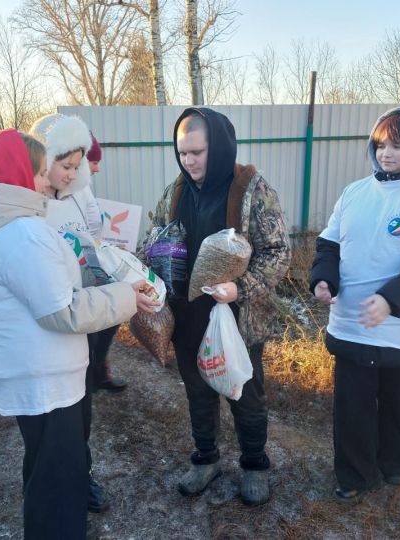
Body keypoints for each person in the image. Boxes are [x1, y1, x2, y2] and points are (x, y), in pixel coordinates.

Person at [0, 128, 156, 539]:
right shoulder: (21, 233)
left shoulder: (6, 227)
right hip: (45, 379)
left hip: (35, 372)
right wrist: (125, 296)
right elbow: (62, 311)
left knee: (46, 474)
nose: (47, 182)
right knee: (59, 487)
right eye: (42, 172)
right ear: (18, 172)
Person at [141, 108, 292, 506]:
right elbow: (154, 236)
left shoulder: (251, 189)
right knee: (198, 393)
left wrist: (240, 287)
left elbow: (278, 251)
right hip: (188, 317)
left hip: (238, 321)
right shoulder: (176, 190)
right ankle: (205, 459)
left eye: (197, 152)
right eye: (183, 152)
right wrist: (138, 260)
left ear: (220, 147)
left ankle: (255, 465)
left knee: (245, 394)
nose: (189, 161)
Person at [310, 108, 400, 501]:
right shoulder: (354, 193)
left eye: (397, 145)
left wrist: (391, 301)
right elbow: (329, 244)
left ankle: (397, 464)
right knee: (352, 406)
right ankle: (355, 476)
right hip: (354, 320)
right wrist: (324, 278)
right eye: (380, 145)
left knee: (398, 403)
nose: (386, 154)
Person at [29, 114, 124, 515]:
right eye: (64, 165)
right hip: (44, 321)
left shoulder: (80, 192)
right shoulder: (26, 196)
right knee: (46, 419)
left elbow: (95, 238)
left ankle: (80, 476)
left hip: (78, 313)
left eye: (77, 166)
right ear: (43, 158)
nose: (71, 174)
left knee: (79, 408)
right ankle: (44, 483)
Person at [86, 132, 127, 393]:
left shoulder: (84, 190)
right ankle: (91, 374)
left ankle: (99, 369)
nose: (98, 167)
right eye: (93, 161)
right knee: (92, 325)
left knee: (111, 317)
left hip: (97, 265)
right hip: (84, 272)